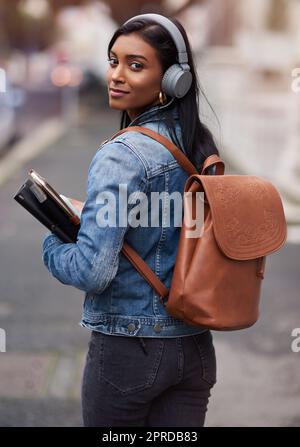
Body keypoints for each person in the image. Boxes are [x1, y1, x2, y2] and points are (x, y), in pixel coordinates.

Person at [42, 13, 219, 427]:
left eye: (135, 65)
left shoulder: (122, 154)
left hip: (128, 350)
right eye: (113, 61)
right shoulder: (200, 143)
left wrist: (53, 242)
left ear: (174, 79)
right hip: (194, 349)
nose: (116, 76)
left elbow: (92, 270)